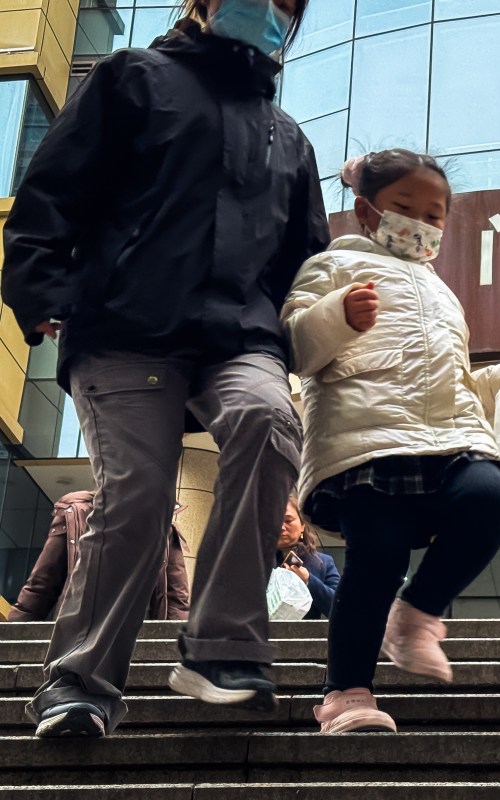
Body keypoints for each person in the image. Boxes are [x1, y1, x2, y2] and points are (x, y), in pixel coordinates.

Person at [0, 0, 329, 738]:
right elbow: (52, 191)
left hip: (238, 336)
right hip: (127, 328)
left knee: (268, 421)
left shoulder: (286, 136)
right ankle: (78, 684)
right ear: (207, 2)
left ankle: (221, 649)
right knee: (139, 498)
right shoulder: (133, 80)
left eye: (287, 2)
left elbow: (308, 265)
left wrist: (312, 335)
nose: (270, 9)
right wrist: (42, 289)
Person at [283, 149, 500, 734]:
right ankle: (346, 694)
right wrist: (337, 315)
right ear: (365, 211)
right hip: (363, 445)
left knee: (489, 500)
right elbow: (298, 351)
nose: (422, 223)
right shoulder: (329, 268)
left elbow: (451, 380)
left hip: (448, 440)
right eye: (405, 208)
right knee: (375, 562)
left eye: (435, 214)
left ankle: (416, 615)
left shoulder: (443, 293)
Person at [8, 492, 190, 623]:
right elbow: (43, 584)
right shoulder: (77, 513)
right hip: (81, 630)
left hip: (137, 632)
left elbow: (176, 599)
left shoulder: (163, 528)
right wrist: (13, 634)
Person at [275, 495, 339, 619]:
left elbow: (338, 608)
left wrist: (308, 580)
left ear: (302, 526)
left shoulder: (324, 562)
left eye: (288, 521)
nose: (282, 528)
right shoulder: (255, 563)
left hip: (306, 635)